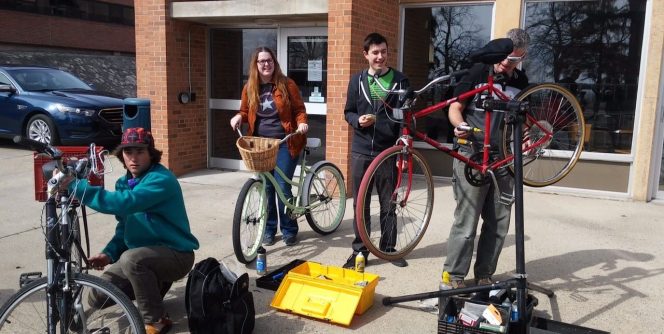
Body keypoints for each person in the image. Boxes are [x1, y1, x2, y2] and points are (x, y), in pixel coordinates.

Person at [63, 127, 200, 334]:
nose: (133, 158)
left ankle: (156, 320)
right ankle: (152, 287)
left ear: (151, 154)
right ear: (122, 156)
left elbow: (125, 203)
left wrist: (76, 187)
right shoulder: (123, 182)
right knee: (98, 295)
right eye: (128, 152)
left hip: (176, 254)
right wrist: (108, 254)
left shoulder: (160, 179)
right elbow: (125, 227)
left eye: (140, 152)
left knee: (132, 260)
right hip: (145, 254)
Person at [443, 28, 531, 289]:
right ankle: (454, 276)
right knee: (467, 221)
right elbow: (455, 108)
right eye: (506, 57)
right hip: (472, 152)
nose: (507, 63)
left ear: (522, 57)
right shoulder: (478, 72)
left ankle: (484, 274)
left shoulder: (520, 83)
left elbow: (523, 122)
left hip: (503, 158)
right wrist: (459, 126)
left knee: (499, 221)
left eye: (514, 59)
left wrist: (525, 138)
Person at [342, 32, 410, 269]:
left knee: (388, 202)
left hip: (388, 151)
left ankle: (389, 249)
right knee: (360, 204)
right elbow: (348, 111)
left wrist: (402, 148)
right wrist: (356, 120)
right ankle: (360, 251)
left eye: (383, 52)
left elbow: (405, 118)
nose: (380, 56)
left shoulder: (400, 81)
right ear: (366, 55)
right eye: (375, 52)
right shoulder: (356, 81)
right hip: (361, 150)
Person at [230, 46, 309, 247]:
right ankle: (269, 229)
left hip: (285, 142)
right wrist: (239, 116)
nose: (266, 64)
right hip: (260, 144)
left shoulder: (287, 84)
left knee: (282, 186)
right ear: (256, 65)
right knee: (266, 188)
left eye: (269, 60)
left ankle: (289, 229)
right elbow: (245, 111)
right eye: (262, 61)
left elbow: (299, 109)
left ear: (274, 63)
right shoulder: (250, 87)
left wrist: (301, 122)